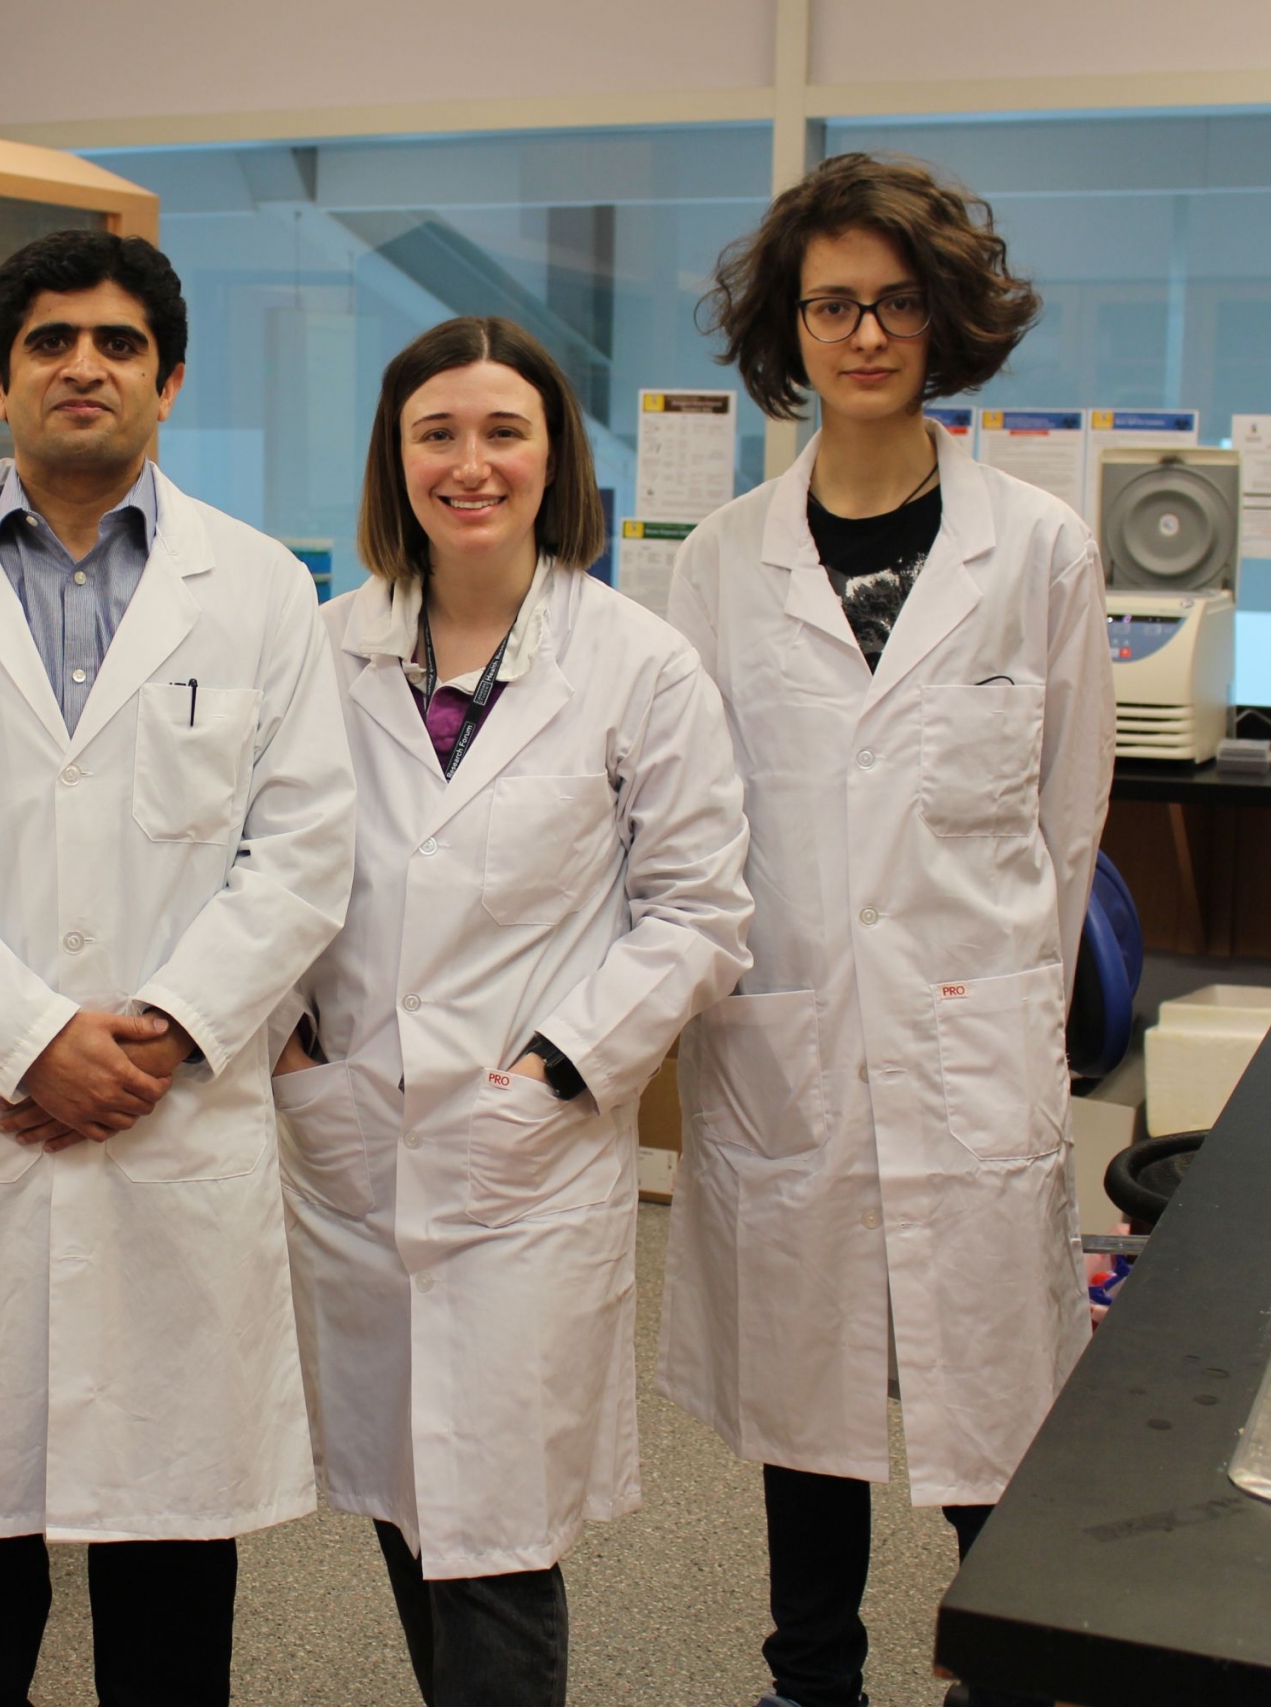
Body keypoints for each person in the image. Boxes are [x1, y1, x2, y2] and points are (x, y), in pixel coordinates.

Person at [0, 228, 356, 1706]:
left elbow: (304, 852)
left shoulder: (254, 591)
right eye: (51, 341)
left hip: (168, 1125)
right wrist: (29, 1038)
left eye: (118, 343)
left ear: (167, 382)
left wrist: (161, 1034)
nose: (85, 367)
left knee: (169, 1541)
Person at [655, 152, 1114, 1707]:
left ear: (946, 322)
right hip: (788, 1039)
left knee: (999, 1384)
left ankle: (1021, 1659)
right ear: (790, 327)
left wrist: (1013, 1008)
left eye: (896, 304)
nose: (864, 334)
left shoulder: (1035, 550)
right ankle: (813, 1678)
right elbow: (694, 822)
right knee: (811, 1396)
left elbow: (1067, 824)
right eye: (833, 304)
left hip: (967, 1025)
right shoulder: (719, 565)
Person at [276, 317, 753, 1705]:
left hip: (525, 1149)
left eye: (503, 432)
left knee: (494, 1535)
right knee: (402, 1490)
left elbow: (700, 913)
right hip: (353, 1132)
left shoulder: (637, 664)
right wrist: (295, 1053)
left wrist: (556, 1070)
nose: (469, 463)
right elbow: (253, 870)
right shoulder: (320, 653)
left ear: (555, 459)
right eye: (438, 432)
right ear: (395, 456)